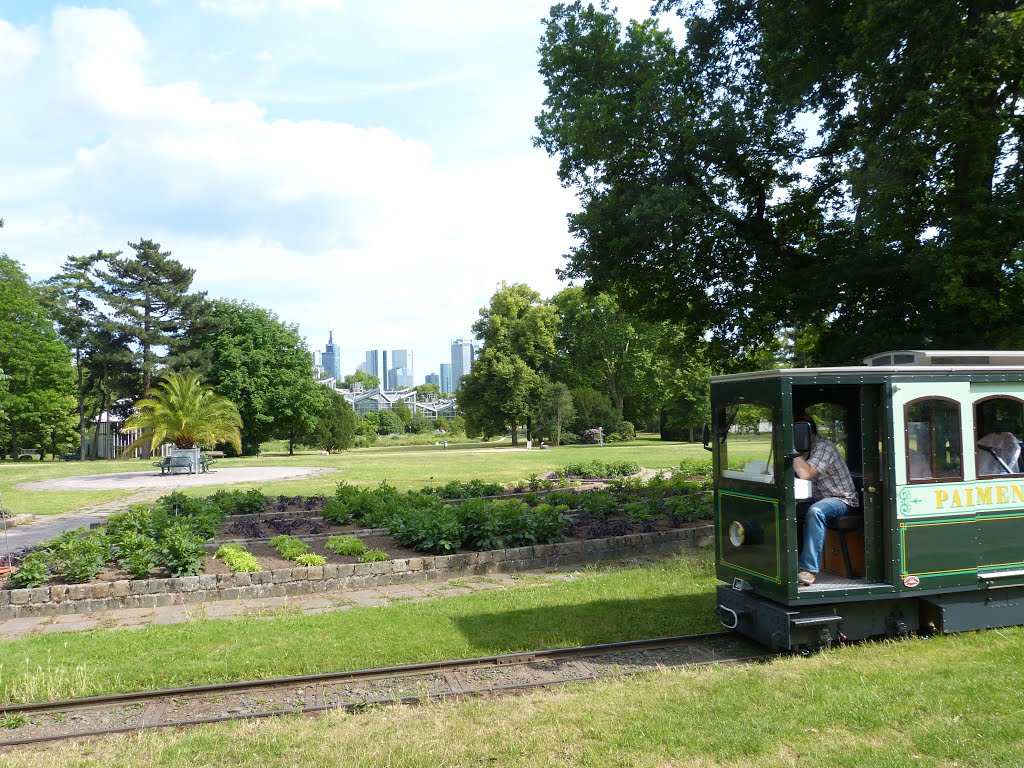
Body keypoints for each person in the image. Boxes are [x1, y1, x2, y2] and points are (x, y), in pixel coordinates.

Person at [793, 414, 859, 587]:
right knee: (788, 510)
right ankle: (790, 563)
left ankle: (808, 570)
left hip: (842, 500)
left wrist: (790, 450)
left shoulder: (824, 447)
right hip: (819, 498)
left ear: (806, 433)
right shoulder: (804, 450)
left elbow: (805, 473)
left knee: (816, 511)